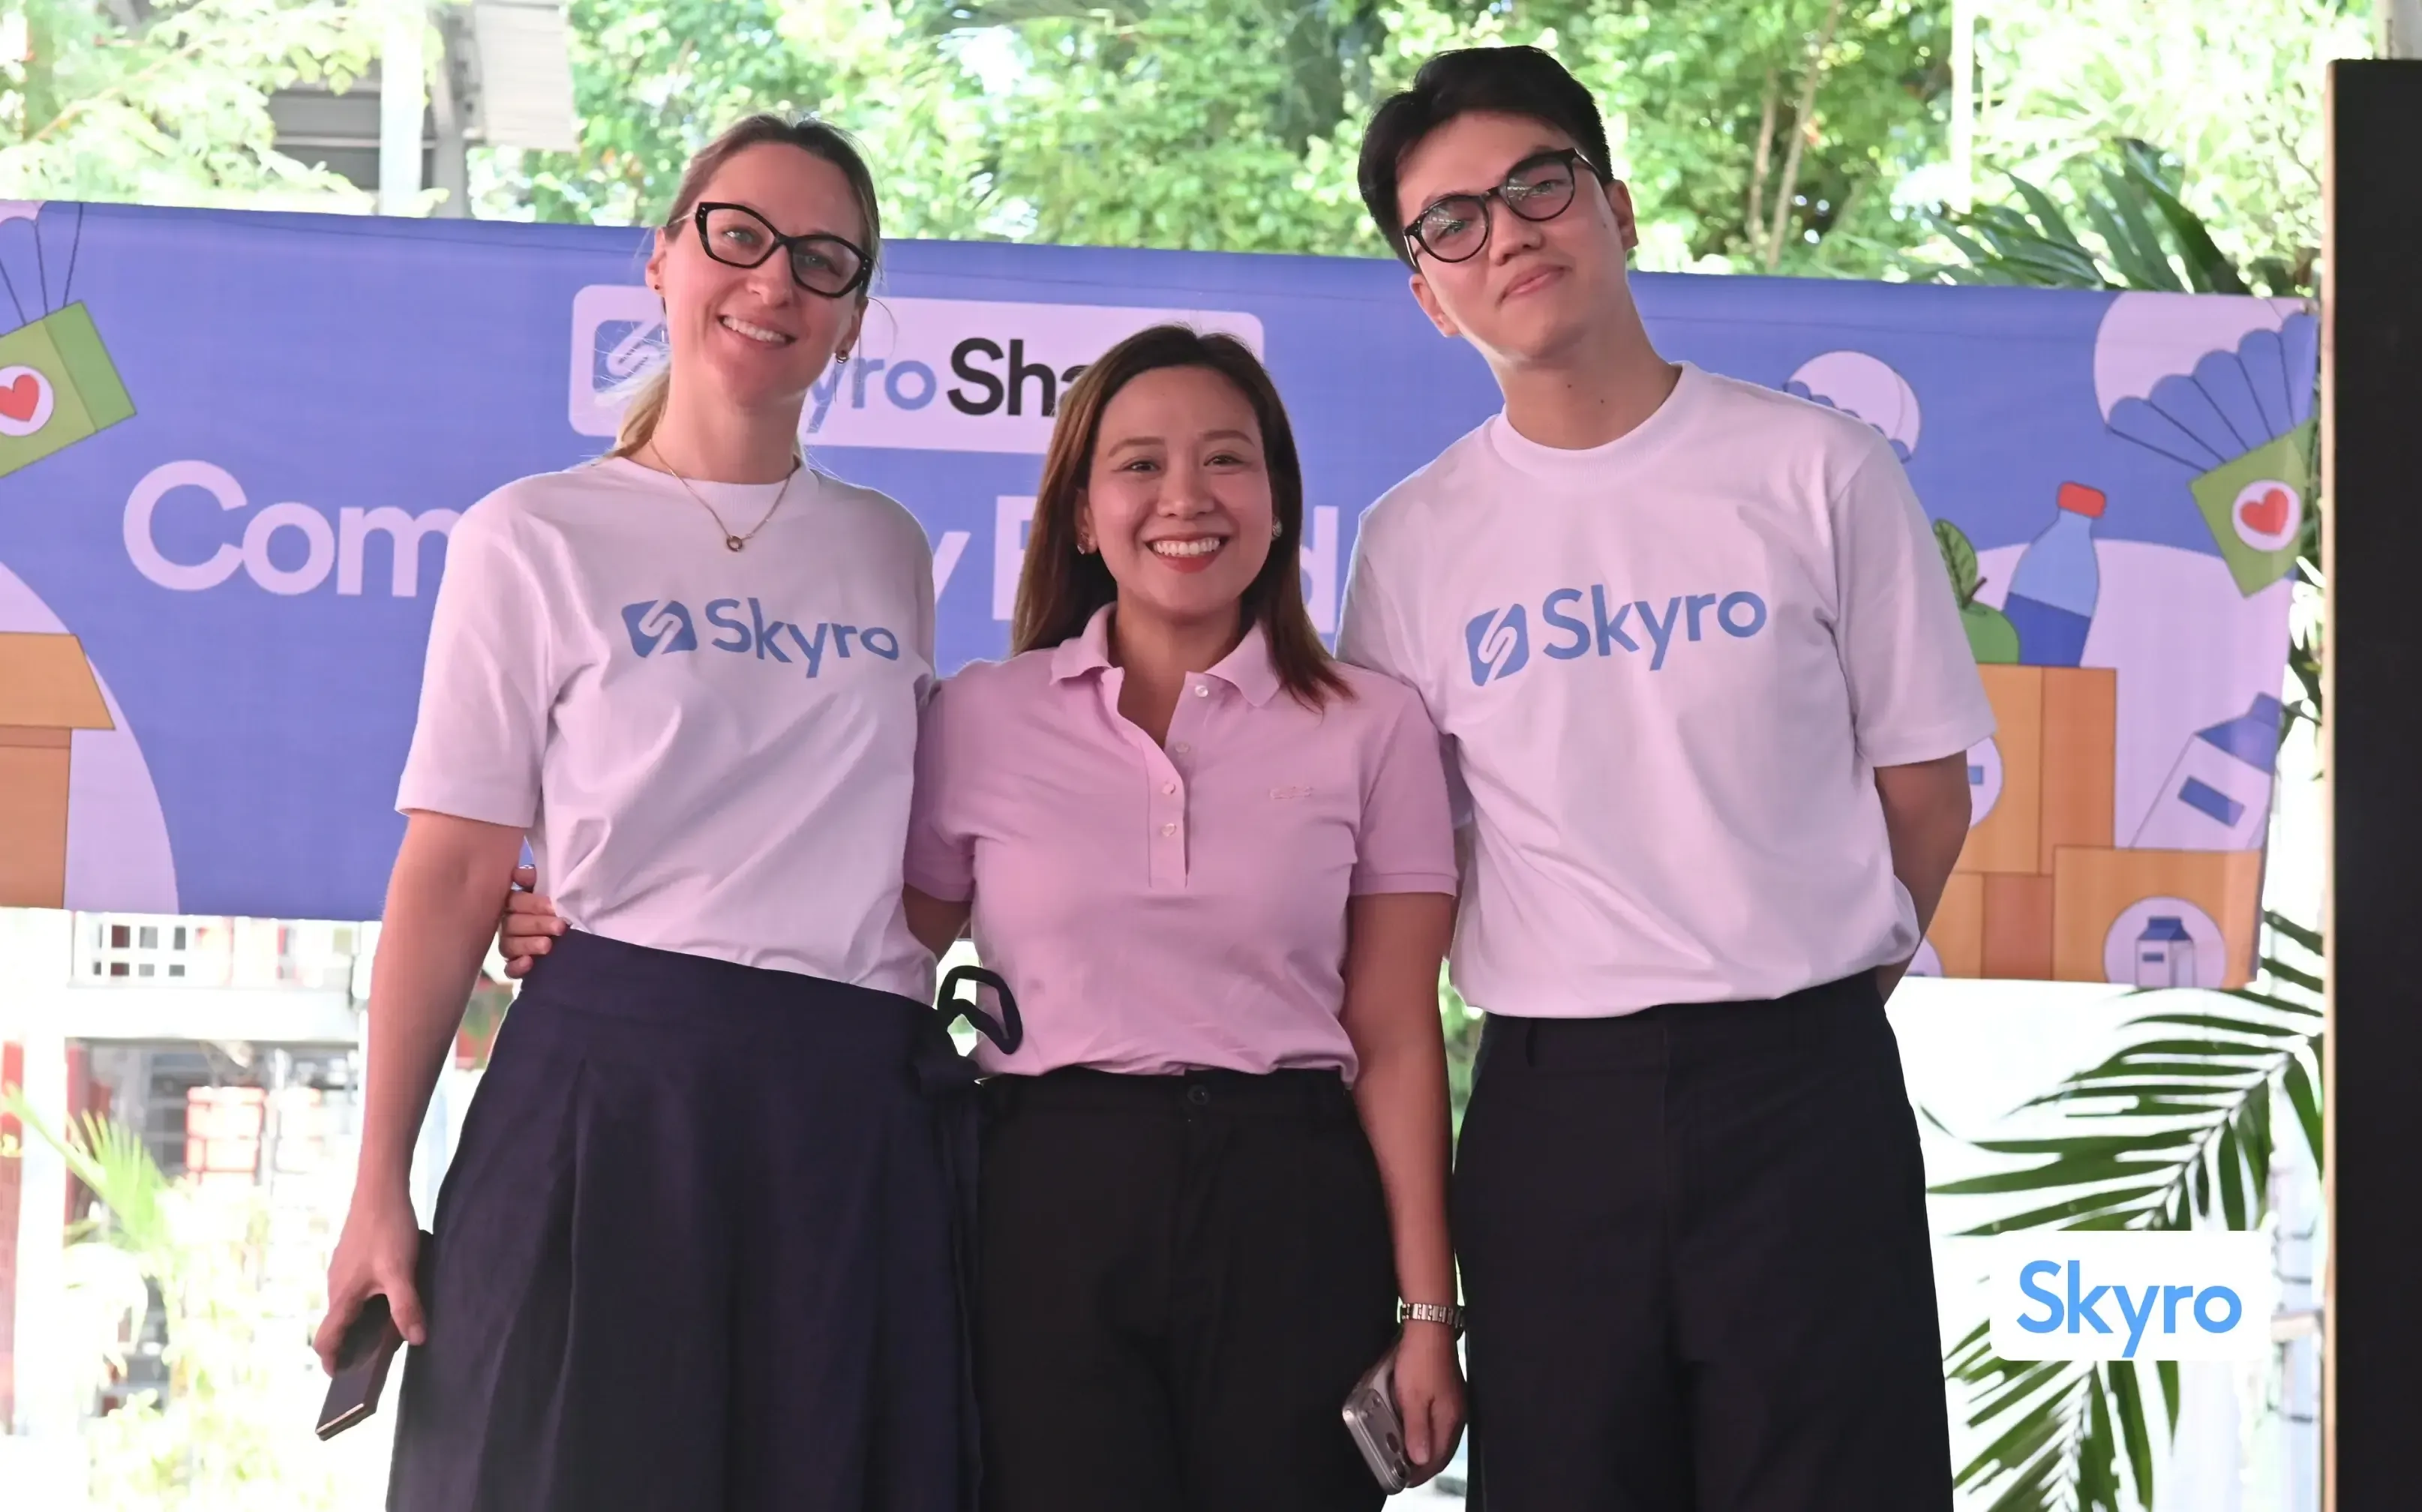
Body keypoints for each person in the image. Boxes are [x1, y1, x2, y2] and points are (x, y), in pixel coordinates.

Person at [504, 325, 1467, 1511]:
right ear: (1077, 513)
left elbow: (1397, 1033)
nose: (1185, 499)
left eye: (1227, 461)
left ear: (1278, 504)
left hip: (1292, 1202)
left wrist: (1429, 1314)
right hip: (1041, 1200)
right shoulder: (983, 718)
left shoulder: (1375, 726)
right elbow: (851, 924)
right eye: (1138, 465)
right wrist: (595, 922)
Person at [1340, 46, 1991, 1512]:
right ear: (1426, 294)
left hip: (1807, 1093)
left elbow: (1926, 792)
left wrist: (1796, 999)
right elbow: (1411, 879)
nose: (1505, 234)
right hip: (1556, 1115)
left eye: (1539, 186)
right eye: (1452, 222)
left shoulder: (1819, 471)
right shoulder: (1413, 543)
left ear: (1619, 210)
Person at [314, 116, 988, 1512]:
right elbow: (450, 874)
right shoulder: (535, 532)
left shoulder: (888, 550)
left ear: (857, 317)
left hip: (848, 1107)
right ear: (664, 259)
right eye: (737, 235)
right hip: (609, 1099)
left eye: (824, 259)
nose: (774, 282)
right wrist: (380, 1182)